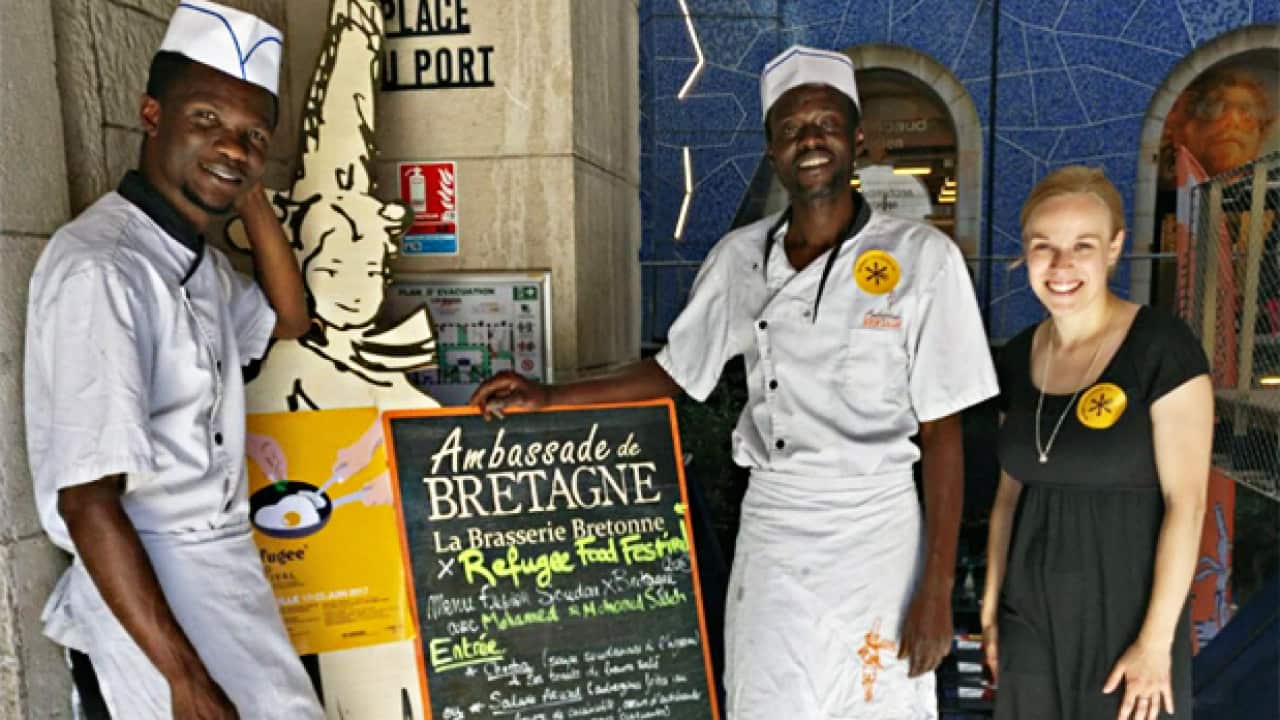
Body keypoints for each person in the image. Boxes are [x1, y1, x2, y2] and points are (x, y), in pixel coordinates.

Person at [473, 45, 998, 719]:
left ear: (858, 139)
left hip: (878, 531)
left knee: (878, 704)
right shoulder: (739, 259)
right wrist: (550, 398)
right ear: (772, 151)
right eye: (791, 129)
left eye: (826, 124)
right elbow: (673, 374)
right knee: (766, 700)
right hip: (776, 525)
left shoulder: (921, 258)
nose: (809, 140)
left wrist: (935, 588)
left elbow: (943, 429)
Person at [23, 2, 323, 717]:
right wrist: (183, 682)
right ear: (151, 114)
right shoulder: (104, 269)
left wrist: (245, 194)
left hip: (222, 571)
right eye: (208, 121)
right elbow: (89, 502)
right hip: (152, 589)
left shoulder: (196, 262)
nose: (233, 147)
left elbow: (288, 317)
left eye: (254, 136)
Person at [982, 166, 1213, 720]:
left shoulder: (1160, 348)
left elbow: (1189, 503)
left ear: (1113, 248)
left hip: (1127, 616)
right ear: (1027, 254)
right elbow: (1008, 498)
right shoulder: (1015, 358)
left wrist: (1155, 642)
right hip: (1030, 622)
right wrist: (991, 607)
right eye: (1044, 247)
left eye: (1082, 246)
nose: (1061, 266)